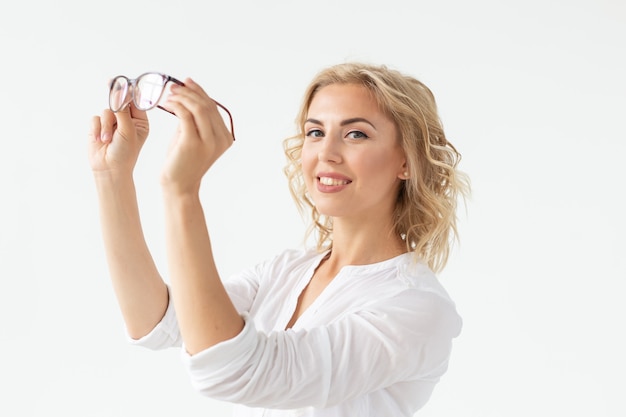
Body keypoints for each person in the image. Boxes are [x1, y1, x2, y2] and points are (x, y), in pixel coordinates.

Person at [88, 62, 470, 417]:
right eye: (315, 132)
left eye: (355, 134)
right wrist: (113, 177)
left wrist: (181, 191)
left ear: (406, 161)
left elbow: (234, 370)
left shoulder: (416, 307)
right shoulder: (287, 270)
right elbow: (161, 321)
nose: (327, 153)